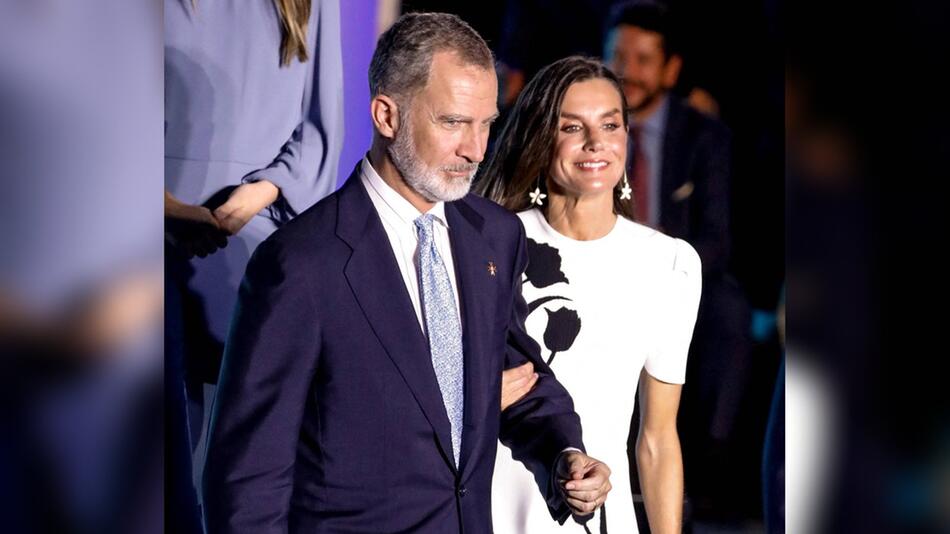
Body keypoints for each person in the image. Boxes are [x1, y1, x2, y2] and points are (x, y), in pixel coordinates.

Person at [201, 13, 612, 533]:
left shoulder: (496, 236)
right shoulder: (301, 263)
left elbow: (517, 377)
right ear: (386, 116)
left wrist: (563, 455)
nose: (476, 150)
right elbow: (249, 480)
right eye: (453, 122)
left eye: (486, 123)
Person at [479, 56, 702, 533]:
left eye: (610, 124)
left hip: (597, 512)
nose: (596, 142)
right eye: (572, 127)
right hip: (493, 503)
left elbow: (658, 438)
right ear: (541, 137)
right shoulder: (491, 244)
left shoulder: (669, 263)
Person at [163, 0, 344, 522]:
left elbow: (320, 126)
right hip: (133, 231)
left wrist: (261, 193)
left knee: (241, 460)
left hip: (252, 237)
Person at [604, 1, 753, 515]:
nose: (629, 72)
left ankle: (706, 469)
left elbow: (716, 239)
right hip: (595, 269)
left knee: (729, 309)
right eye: (618, 56)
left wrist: (656, 271)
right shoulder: (584, 124)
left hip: (671, 276)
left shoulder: (705, 136)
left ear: (670, 69)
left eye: (644, 59)